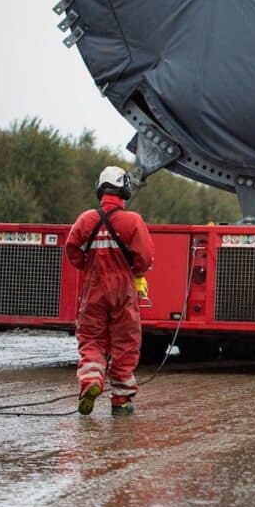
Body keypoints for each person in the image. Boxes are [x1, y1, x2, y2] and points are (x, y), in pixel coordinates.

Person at [65, 166, 154, 416]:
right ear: (124, 189)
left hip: (94, 289)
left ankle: (92, 381)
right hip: (123, 291)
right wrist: (135, 272)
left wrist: (89, 266)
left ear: (100, 189)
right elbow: (145, 258)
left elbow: (72, 250)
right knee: (125, 343)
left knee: (91, 338)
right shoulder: (133, 221)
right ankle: (121, 400)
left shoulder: (86, 219)